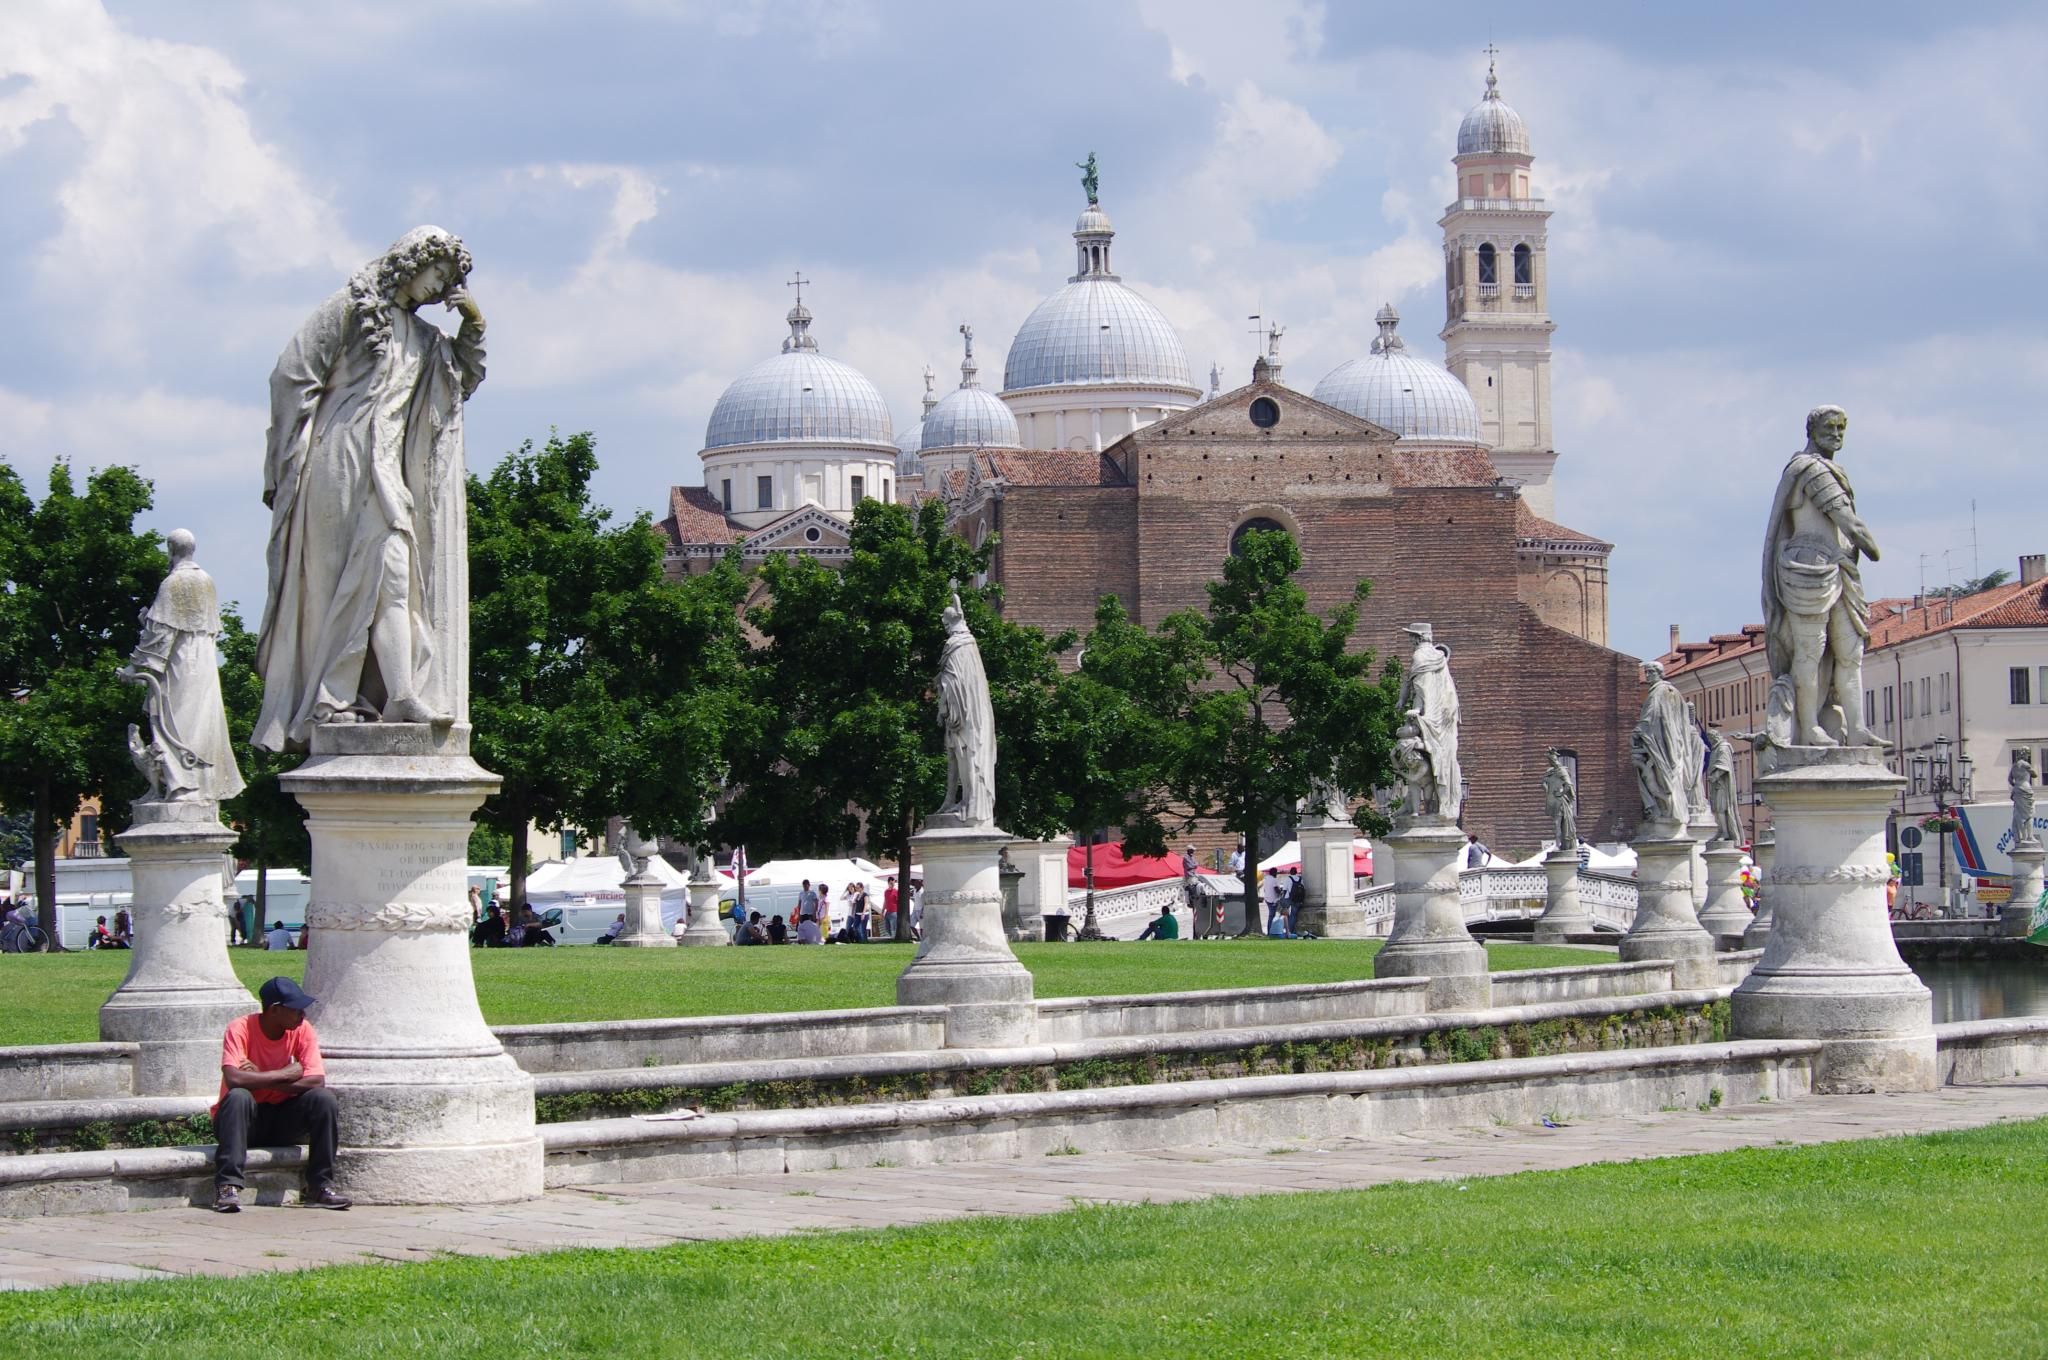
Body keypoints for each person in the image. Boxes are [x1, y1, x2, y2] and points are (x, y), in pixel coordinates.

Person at [254, 227, 483, 751]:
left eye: (448, 281)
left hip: (387, 470)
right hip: (338, 462)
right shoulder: (351, 308)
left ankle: (400, 692)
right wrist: (289, 459)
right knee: (334, 584)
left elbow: (459, 382)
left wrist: (474, 322)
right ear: (412, 261)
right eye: (438, 274)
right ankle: (330, 701)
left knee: (396, 576)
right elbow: (291, 374)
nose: (438, 288)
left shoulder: (427, 341)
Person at [211, 976, 350, 1213]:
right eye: (296, 1010)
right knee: (239, 1096)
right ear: (275, 1010)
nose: (302, 1016)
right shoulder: (240, 1028)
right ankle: (228, 1187)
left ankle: (320, 1186)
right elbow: (234, 1079)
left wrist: (262, 1078)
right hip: (243, 1122)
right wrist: (285, 1074)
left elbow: (316, 1080)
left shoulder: (302, 1030)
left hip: (283, 1119)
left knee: (323, 1099)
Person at [1260, 869, 1284, 934]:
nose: (1277, 874)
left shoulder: (1266, 879)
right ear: (1274, 873)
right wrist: (1281, 892)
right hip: (1273, 900)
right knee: (1272, 915)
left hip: (1267, 899)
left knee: (1272, 915)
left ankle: (1270, 930)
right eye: (1276, 873)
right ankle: (1270, 931)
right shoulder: (1274, 879)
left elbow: (1265, 889)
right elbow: (1276, 889)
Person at [1286, 869, 1306, 935]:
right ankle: (1294, 930)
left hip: (1292, 899)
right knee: (1295, 915)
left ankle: (1290, 931)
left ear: (1290, 872)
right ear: (1296, 872)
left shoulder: (1288, 879)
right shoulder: (1300, 879)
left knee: (1292, 915)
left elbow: (1285, 890)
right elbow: (1304, 889)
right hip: (1299, 900)